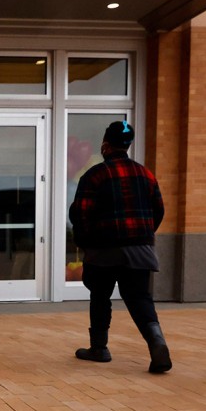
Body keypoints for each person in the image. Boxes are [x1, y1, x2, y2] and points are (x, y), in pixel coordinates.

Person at [68, 120, 171, 373]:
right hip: (139, 248)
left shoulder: (95, 175)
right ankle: (156, 340)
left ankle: (99, 348)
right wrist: (143, 235)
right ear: (128, 145)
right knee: (139, 297)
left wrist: (85, 244)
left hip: (104, 250)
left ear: (105, 145)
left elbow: (80, 214)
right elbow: (158, 211)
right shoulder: (146, 175)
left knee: (100, 296)